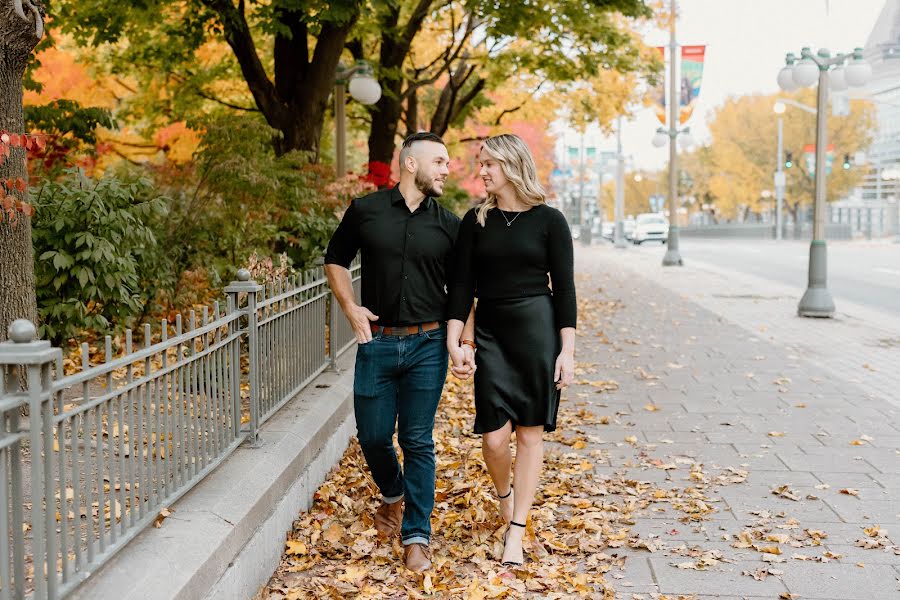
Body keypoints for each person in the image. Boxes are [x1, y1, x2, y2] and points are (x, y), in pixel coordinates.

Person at [324, 132, 474, 572]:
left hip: (429, 345)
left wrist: (463, 340)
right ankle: (393, 493)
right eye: (440, 161)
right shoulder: (365, 211)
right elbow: (335, 257)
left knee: (416, 439)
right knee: (372, 436)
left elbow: (465, 289)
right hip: (378, 340)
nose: (447, 169)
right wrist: (350, 306)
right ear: (411, 163)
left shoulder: (450, 225)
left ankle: (416, 536)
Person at [447, 133, 576, 567]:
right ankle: (505, 496)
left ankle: (516, 531)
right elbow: (462, 286)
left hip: (537, 333)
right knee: (494, 437)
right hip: (492, 334)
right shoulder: (475, 221)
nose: (481, 171)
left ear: (512, 165)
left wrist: (567, 351)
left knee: (530, 434)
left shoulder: (550, 221)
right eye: (481, 164)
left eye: (489, 164)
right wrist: (459, 339)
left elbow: (566, 291)